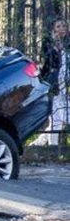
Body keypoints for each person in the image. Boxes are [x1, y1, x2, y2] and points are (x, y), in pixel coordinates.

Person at [34, 18, 69, 146]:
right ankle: (52, 147)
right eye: (58, 26)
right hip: (55, 84)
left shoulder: (67, 43)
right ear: (53, 29)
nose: (62, 29)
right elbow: (49, 63)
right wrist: (55, 48)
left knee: (58, 119)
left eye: (64, 26)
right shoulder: (47, 42)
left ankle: (38, 145)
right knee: (57, 117)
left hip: (65, 84)